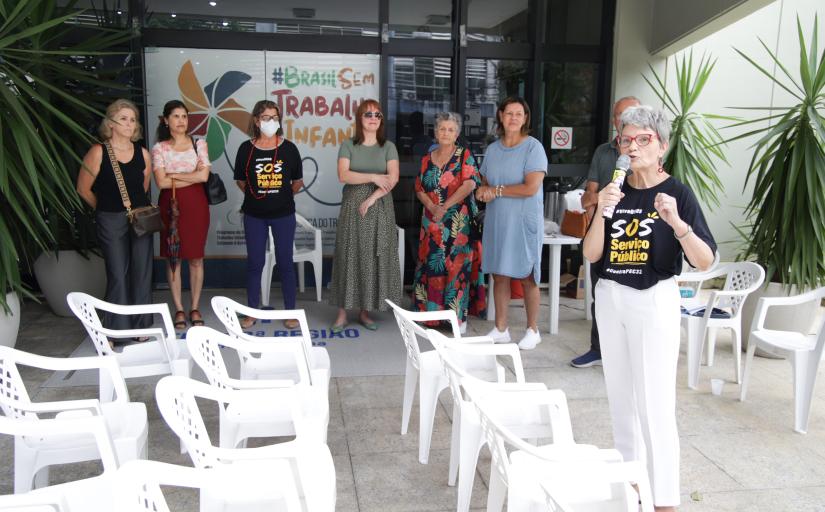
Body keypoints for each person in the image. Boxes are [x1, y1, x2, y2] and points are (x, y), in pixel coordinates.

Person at [582, 105, 715, 511]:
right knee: (621, 402)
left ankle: (666, 501)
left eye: (644, 139)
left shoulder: (677, 193)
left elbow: (705, 260)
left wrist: (677, 223)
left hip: (653, 300)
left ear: (662, 147)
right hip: (611, 298)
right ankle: (632, 489)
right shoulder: (614, 189)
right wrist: (602, 209)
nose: (634, 146)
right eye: (628, 139)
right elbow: (590, 254)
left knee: (655, 405)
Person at [571, 95, 640, 368]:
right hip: (603, 231)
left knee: (631, 295)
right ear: (614, 121)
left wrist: (597, 197)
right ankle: (598, 349)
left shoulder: (647, 151)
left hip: (634, 234)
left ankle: (628, 355)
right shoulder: (603, 152)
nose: (624, 121)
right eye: (619, 117)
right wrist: (595, 202)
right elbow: (589, 194)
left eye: (630, 115)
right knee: (600, 294)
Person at [475, 97, 548, 350]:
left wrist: (495, 190)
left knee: (528, 275)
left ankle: (532, 329)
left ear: (525, 118)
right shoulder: (493, 149)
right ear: (501, 116)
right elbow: (485, 182)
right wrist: (483, 191)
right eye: (509, 113)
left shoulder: (533, 148)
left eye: (519, 114)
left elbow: (530, 188)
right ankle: (501, 329)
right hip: (498, 221)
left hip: (523, 222)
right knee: (500, 274)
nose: (514, 118)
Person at [76, 99, 153, 332]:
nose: (129, 124)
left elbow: (144, 186)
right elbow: (83, 189)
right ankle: (116, 329)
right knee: (118, 273)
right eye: (123, 119)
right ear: (110, 123)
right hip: (110, 219)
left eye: (132, 119)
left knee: (142, 272)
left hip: (140, 219)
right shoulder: (98, 152)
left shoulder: (143, 153)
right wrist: (106, 208)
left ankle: (141, 326)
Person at [329, 99, 402, 332]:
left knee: (371, 257)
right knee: (347, 254)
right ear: (360, 118)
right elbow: (343, 175)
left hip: (379, 205)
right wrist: (373, 177)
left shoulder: (388, 146)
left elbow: (393, 178)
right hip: (353, 205)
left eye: (378, 115)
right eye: (368, 114)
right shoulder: (348, 144)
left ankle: (364, 311)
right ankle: (342, 313)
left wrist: (371, 198)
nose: (373, 118)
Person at [412, 112, 486, 334]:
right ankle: (432, 317)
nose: (445, 133)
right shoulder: (427, 158)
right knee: (432, 267)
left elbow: (470, 184)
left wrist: (444, 206)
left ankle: (457, 319)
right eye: (442, 129)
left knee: (456, 268)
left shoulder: (465, 155)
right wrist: (432, 206)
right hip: (431, 223)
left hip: (457, 223)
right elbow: (419, 188)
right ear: (435, 132)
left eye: (450, 129)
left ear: (457, 133)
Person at [233, 100, 303, 329]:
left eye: (275, 117)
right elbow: (241, 181)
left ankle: (291, 312)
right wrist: (258, 197)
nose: (271, 121)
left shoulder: (289, 149)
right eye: (266, 117)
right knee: (255, 263)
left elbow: (297, 182)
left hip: (283, 215)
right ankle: (252, 312)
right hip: (254, 215)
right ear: (256, 120)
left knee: (285, 262)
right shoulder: (246, 149)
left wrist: (280, 197)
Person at [151, 100, 211, 330]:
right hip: (171, 206)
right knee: (173, 258)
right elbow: (161, 182)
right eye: (175, 116)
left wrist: (174, 176)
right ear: (166, 120)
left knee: (196, 258)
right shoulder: (160, 148)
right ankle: (178, 308)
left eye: (184, 116)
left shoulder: (199, 144)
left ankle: (194, 306)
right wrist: (191, 174)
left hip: (196, 205)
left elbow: (204, 177)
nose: (181, 121)